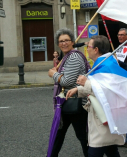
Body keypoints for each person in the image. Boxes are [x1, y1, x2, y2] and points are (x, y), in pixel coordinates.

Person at [66, 35, 124, 157]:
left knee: (96, 149)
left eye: (89, 46)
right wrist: (78, 89)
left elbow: (106, 89)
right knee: (111, 149)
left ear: (96, 49)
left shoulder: (105, 65)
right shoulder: (103, 62)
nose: (87, 49)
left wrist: (84, 83)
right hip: (102, 114)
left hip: (102, 115)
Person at [48, 28, 89, 157]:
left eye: (66, 40)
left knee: (83, 137)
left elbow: (67, 81)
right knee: (58, 133)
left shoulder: (74, 56)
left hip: (76, 103)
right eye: (60, 41)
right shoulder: (66, 57)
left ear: (72, 42)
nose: (63, 43)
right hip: (66, 101)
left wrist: (54, 74)